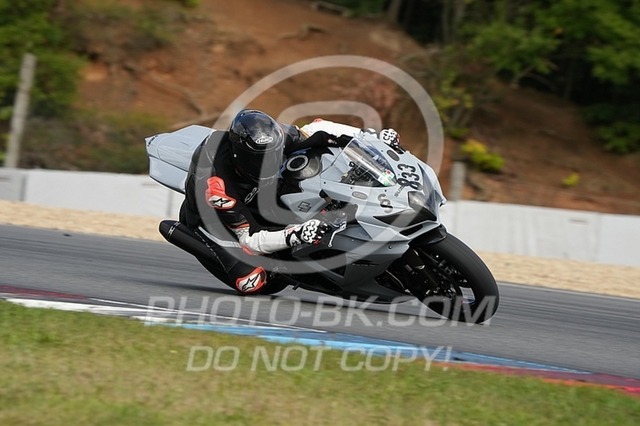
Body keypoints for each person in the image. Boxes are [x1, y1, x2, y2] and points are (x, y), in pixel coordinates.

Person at [180, 109, 399, 295]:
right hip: (213, 219)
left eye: (273, 155)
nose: (270, 163)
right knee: (252, 282)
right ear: (241, 156)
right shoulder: (219, 188)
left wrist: (370, 137)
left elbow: (318, 130)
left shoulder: (277, 136)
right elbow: (250, 239)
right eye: (261, 160)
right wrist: (297, 234)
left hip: (258, 189)